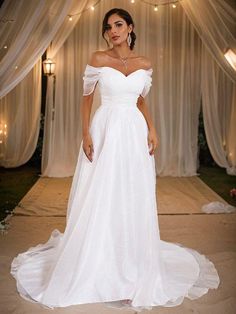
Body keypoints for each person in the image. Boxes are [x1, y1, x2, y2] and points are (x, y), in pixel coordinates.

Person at [10, 7, 220, 313]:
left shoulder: (144, 63)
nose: (113, 31)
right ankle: (99, 263)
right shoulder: (98, 58)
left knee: (132, 194)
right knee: (102, 193)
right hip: (105, 127)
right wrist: (85, 134)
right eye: (109, 27)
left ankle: (132, 265)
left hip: (134, 132)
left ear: (130, 27)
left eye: (119, 25)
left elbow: (140, 99)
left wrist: (152, 127)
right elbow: (85, 99)